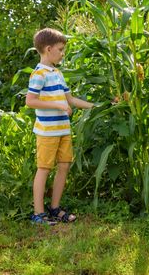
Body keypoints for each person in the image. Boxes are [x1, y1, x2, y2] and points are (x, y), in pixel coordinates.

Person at [26, 27, 93, 225]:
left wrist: (97, 106)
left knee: (64, 166)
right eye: (61, 49)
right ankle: (38, 214)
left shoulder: (57, 73)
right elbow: (30, 101)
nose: (63, 53)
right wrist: (57, 104)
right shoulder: (39, 74)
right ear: (48, 49)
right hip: (47, 132)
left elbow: (70, 99)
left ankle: (54, 209)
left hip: (63, 130)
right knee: (44, 169)